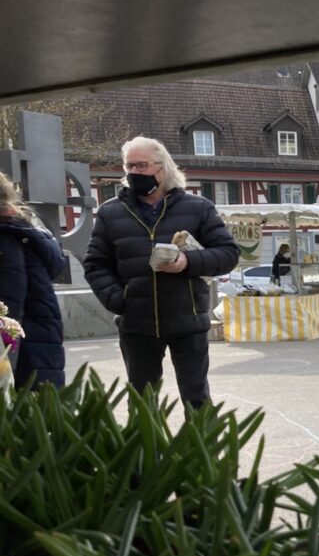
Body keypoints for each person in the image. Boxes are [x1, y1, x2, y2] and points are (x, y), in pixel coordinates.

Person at [84, 136, 239, 408]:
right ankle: (146, 451)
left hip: (187, 321)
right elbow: (96, 264)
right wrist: (119, 300)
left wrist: (187, 262)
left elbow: (228, 254)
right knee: (142, 403)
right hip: (137, 324)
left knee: (197, 398)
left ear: (163, 167)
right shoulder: (110, 213)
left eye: (142, 166)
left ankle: (202, 450)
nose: (135, 173)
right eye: (129, 166)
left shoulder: (198, 207)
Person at [0, 170, 65, 388]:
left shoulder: (7, 239)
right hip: (38, 351)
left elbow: (8, 310)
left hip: (23, 357)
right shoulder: (21, 231)